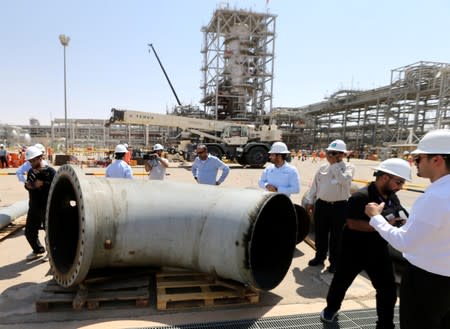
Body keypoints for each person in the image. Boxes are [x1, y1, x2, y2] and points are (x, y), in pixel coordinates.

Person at [365, 129, 450, 329]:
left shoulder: (435, 197)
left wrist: (376, 218)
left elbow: (405, 243)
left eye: (418, 158)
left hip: (427, 282)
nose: (415, 162)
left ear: (436, 160)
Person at [320, 158, 411, 328]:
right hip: (353, 250)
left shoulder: (392, 197)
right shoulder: (360, 197)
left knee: (388, 290)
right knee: (341, 282)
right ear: (384, 177)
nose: (401, 186)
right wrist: (382, 226)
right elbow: (353, 223)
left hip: (378, 251)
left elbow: (395, 215)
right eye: (398, 182)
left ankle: (385, 324)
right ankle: (331, 309)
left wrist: (401, 223)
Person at [304, 139, 355, 273]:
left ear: (341, 155)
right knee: (320, 233)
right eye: (328, 152)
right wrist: (310, 201)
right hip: (322, 205)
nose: (328, 155)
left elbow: (344, 181)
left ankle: (334, 262)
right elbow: (315, 185)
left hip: (339, 206)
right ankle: (319, 257)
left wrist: (334, 166)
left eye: (332, 153)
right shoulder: (322, 168)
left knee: (336, 237)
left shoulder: (349, 168)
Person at [23, 146, 56, 261]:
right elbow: (29, 184)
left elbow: (57, 187)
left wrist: (44, 184)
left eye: (33, 160)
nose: (31, 163)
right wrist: (28, 186)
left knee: (50, 232)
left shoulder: (50, 172)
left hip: (47, 207)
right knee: (29, 232)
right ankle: (38, 250)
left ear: (40, 158)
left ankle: (51, 253)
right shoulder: (31, 171)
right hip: (33, 207)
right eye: (30, 161)